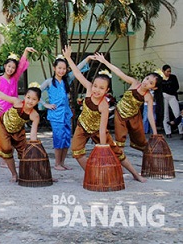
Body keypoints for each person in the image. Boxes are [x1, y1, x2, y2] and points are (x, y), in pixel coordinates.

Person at [63, 46, 146, 182]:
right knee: (76, 151)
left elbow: (102, 129)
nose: (96, 90)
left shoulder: (104, 105)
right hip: (82, 126)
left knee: (116, 152)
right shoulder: (89, 88)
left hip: (97, 130)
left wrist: (103, 148)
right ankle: (92, 173)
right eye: (96, 86)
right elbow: (78, 74)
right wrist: (67, 58)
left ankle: (135, 174)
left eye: (101, 88)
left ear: (106, 90)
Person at [95, 54, 161, 152]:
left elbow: (150, 114)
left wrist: (155, 132)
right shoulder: (134, 83)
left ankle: (149, 159)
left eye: (151, 83)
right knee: (119, 141)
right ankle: (118, 161)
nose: (146, 82)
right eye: (147, 78)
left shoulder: (148, 97)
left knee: (141, 141)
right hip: (120, 113)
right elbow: (119, 73)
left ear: (154, 88)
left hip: (134, 118)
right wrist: (104, 61)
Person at [0, 47, 36, 168]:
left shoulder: (15, 78)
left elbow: (22, 65)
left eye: (13, 67)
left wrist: (26, 51)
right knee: (4, 136)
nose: (11, 69)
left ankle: (10, 158)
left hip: (14, 111)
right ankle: (4, 160)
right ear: (5, 66)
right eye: (9, 66)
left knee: (14, 135)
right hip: (1, 112)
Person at [0, 82, 41, 182]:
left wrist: (34, 147)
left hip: (18, 131)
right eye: (28, 97)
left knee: (26, 152)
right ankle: (14, 174)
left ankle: (32, 173)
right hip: (3, 125)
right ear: (24, 96)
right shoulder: (17, 102)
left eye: (34, 99)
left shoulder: (35, 115)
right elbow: (2, 95)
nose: (30, 101)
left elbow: (33, 135)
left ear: (38, 101)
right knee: (6, 149)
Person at [40, 55, 94, 171]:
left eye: (64, 69)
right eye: (59, 68)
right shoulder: (49, 82)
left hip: (66, 114)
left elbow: (77, 69)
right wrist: (46, 104)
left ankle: (62, 163)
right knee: (58, 139)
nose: (61, 71)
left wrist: (87, 59)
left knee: (66, 139)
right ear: (54, 68)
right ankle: (57, 163)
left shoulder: (67, 80)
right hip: (55, 115)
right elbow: (36, 92)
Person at [160, 64, 182, 138]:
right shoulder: (160, 78)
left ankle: (181, 130)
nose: (169, 73)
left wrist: (168, 91)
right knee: (165, 114)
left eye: (170, 71)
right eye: (167, 71)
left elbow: (176, 86)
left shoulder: (173, 77)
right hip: (164, 96)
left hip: (172, 96)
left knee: (177, 112)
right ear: (163, 71)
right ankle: (168, 131)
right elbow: (159, 88)